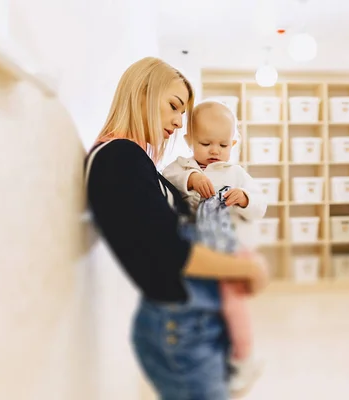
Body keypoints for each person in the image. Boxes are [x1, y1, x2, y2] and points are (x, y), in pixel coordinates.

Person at [84, 57, 269, 400]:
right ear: (141, 92)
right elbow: (169, 251)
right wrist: (247, 268)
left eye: (182, 112)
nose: (177, 121)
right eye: (173, 106)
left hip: (187, 319)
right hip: (179, 324)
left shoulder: (131, 158)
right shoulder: (121, 157)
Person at [163, 101, 267, 397]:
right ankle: (211, 357)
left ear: (233, 143)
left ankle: (245, 358)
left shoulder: (235, 173)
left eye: (223, 144)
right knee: (202, 309)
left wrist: (245, 197)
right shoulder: (182, 167)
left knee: (233, 305)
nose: (214, 150)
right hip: (199, 252)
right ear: (188, 141)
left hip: (231, 251)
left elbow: (260, 205)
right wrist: (190, 179)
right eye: (205, 142)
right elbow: (167, 178)